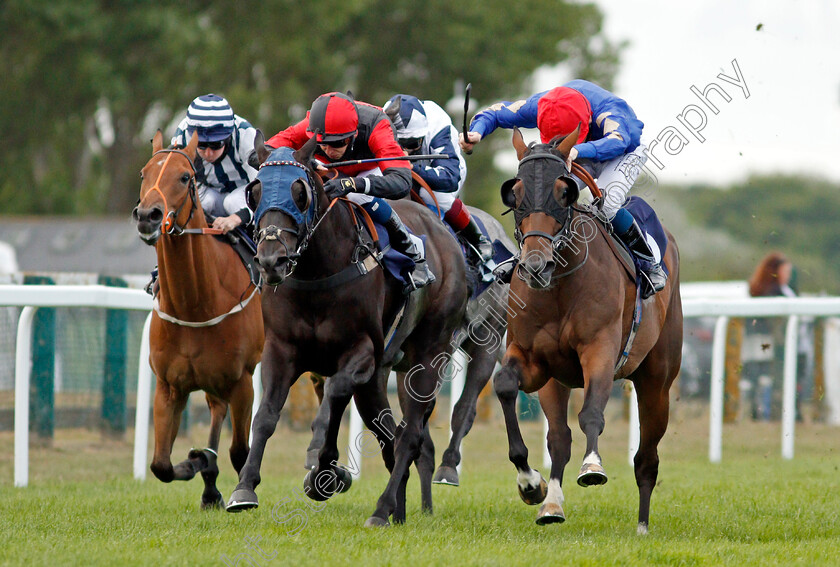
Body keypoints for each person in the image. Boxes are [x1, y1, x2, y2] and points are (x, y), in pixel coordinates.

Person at [460, 80, 667, 294]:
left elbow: (619, 140)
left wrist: (578, 150)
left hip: (622, 152)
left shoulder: (610, 113)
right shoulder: (540, 105)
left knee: (607, 203)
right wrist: (477, 132)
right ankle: (529, 252)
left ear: (586, 120)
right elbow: (494, 113)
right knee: (545, 194)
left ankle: (650, 263)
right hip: (572, 151)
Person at [266, 91, 434, 291]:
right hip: (326, 168)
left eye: (337, 143)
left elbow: (402, 182)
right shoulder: (310, 125)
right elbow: (260, 153)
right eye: (322, 142)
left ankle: (411, 247)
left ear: (354, 135)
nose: (329, 150)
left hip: (366, 169)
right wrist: (302, 160)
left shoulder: (378, 126)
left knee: (355, 194)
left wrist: (353, 184)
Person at [383, 94, 494, 266]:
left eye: (411, 144)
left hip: (443, 169)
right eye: (399, 144)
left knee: (430, 195)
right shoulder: (380, 122)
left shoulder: (437, 125)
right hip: (395, 165)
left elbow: (449, 179)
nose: (405, 150)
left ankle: (478, 240)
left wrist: (413, 167)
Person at [171, 94, 258, 234]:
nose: (208, 153)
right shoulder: (182, 135)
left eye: (216, 144)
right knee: (203, 202)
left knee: (231, 202)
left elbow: (264, 187)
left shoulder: (245, 135)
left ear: (228, 136)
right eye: (201, 145)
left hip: (244, 194)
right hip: (210, 193)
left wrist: (236, 218)